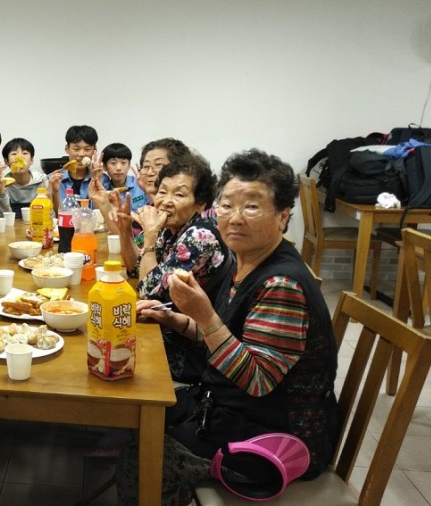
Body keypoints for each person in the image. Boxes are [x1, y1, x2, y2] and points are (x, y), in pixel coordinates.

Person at [117, 149, 340, 505]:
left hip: (271, 442)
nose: (234, 218)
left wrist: (204, 316)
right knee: (142, 411)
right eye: (226, 205)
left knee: (141, 452)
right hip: (229, 408)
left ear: (283, 216)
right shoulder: (246, 261)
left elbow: (257, 380)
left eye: (251, 207)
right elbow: (228, 336)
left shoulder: (281, 284)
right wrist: (176, 319)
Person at [117, 153, 232, 383]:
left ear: (200, 203)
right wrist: (124, 229)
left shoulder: (198, 236)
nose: (166, 201)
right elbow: (137, 270)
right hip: (169, 328)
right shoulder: (173, 228)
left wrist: (150, 235)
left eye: (179, 194)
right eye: (162, 192)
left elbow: (148, 291)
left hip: (191, 350)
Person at [48, 124, 99, 211]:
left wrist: (97, 179)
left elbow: (102, 213)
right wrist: (55, 193)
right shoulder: (53, 179)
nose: (81, 154)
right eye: (76, 149)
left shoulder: (102, 179)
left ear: (94, 150)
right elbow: (57, 215)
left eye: (87, 149)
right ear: (67, 149)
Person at [2, 137, 48, 212]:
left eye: (25, 153)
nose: (19, 157)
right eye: (14, 154)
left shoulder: (43, 181)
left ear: (32, 160)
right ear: (6, 161)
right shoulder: (2, 184)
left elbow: (50, 213)